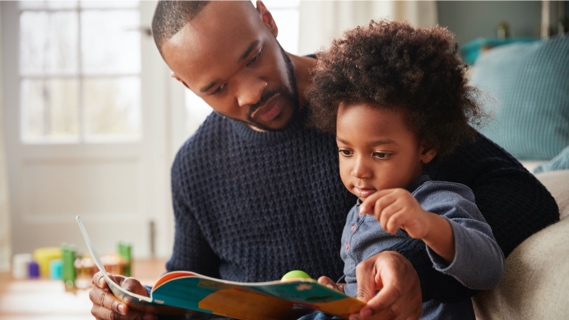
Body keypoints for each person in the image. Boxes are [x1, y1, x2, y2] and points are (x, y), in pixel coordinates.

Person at [88, 1, 559, 320]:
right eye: (216, 87)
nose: (251, 90)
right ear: (185, 85)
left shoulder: (371, 102)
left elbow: (524, 196)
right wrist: (141, 303)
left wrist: (412, 264)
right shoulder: (193, 168)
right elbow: (188, 285)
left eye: (253, 56)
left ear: (267, 18)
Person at [304, 19, 504, 319]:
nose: (359, 170)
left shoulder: (438, 201)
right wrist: (339, 292)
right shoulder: (356, 215)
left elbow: (490, 269)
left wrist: (428, 225)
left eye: (381, 154)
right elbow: (365, 291)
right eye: (346, 151)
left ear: (426, 147)